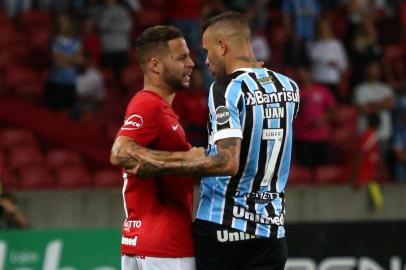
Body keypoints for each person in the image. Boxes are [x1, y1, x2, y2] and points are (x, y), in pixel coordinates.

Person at [126, 11, 300, 270]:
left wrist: (160, 165)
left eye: (207, 51)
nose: (205, 62)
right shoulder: (290, 87)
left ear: (223, 46)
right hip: (271, 233)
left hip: (222, 228)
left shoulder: (225, 89)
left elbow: (227, 162)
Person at [109, 25, 199, 270]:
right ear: (155, 65)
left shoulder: (161, 111)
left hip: (139, 241)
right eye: (181, 57)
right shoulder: (149, 105)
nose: (191, 63)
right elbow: (120, 152)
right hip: (166, 246)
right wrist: (187, 161)